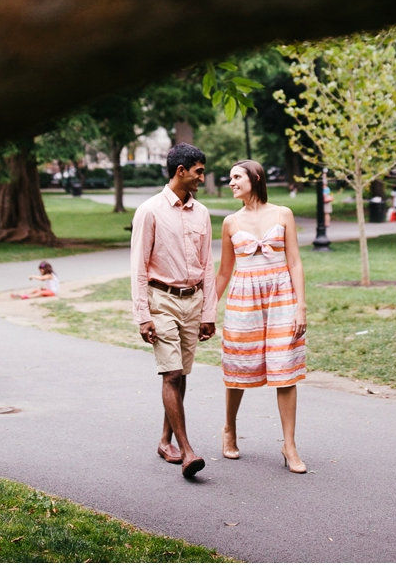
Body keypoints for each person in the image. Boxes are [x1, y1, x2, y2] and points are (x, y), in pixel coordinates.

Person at [131, 143, 216, 479]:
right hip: (161, 300)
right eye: (198, 171)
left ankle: (165, 440)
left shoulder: (202, 213)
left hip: (192, 301)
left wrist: (208, 311)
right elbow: (138, 266)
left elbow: (208, 264)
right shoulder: (149, 211)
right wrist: (143, 315)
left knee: (181, 373)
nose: (202, 178)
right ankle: (187, 451)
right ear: (180, 171)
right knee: (172, 373)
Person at [216, 160, 307, 473]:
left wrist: (301, 306)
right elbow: (224, 271)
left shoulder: (283, 214)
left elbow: (294, 262)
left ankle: (289, 445)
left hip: (281, 297)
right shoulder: (230, 222)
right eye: (230, 178)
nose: (231, 182)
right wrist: (206, 310)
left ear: (255, 178)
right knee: (238, 363)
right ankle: (229, 430)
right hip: (244, 299)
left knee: (285, 367)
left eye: (236, 177)